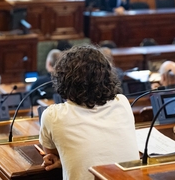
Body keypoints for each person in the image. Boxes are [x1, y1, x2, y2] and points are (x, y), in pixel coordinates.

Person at [39, 45, 139, 179]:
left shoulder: (53, 116)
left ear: (63, 79)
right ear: (107, 76)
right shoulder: (122, 102)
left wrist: (62, 159)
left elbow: (52, 154)